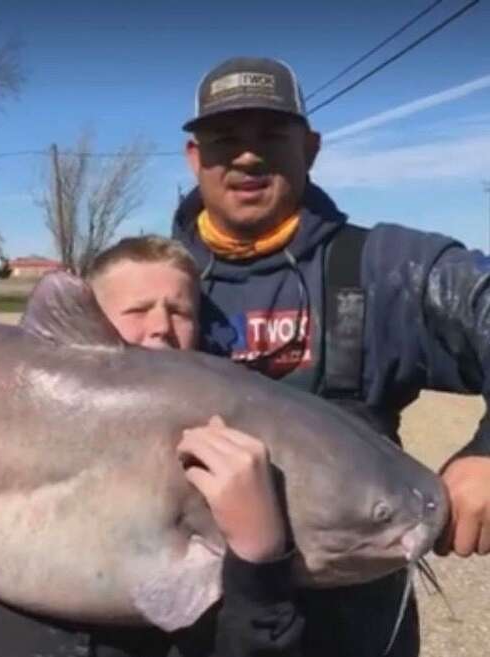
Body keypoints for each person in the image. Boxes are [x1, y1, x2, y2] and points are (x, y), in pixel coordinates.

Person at [0, 236, 305, 657]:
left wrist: (258, 561)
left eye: (179, 311)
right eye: (137, 310)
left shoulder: (222, 458)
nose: (160, 326)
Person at [171, 56, 490, 656]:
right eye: (224, 140)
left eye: (271, 136)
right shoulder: (152, 286)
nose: (246, 156)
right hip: (195, 617)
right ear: (195, 158)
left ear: (311, 148)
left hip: (352, 624)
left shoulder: (389, 268)